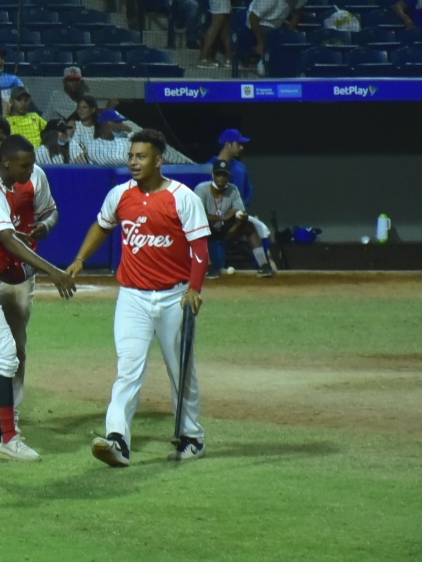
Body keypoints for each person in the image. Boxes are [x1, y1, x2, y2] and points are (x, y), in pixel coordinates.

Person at [67, 129, 212, 467]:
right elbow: (102, 226)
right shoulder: (120, 195)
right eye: (131, 156)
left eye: (141, 156)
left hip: (174, 297)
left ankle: (192, 437)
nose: (133, 161)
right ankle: (117, 439)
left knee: (181, 371)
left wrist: (194, 288)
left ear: (159, 160)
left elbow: (200, 248)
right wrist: (80, 259)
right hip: (132, 297)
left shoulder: (182, 197)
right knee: (128, 369)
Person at [0, 132, 75, 458]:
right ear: (6, 162)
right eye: (24, 165)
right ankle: (8, 439)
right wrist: (53, 270)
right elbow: (6, 239)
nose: (29, 171)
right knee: (5, 353)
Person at [195, 160, 274, 278]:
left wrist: (241, 218)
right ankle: (208, 267)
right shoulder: (202, 189)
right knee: (199, 226)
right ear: (213, 175)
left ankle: (263, 266)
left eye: (224, 175)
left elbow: (240, 212)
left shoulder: (233, 190)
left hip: (225, 230)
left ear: (229, 176)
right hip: (207, 230)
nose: (221, 178)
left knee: (249, 227)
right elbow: (198, 215)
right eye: (218, 174)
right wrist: (222, 217)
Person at [209, 128, 272, 260]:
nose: (242, 147)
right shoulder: (209, 167)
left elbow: (249, 190)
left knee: (260, 229)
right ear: (228, 144)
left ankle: (262, 265)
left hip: (237, 216)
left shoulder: (240, 167)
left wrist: (242, 208)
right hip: (215, 219)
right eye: (239, 144)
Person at [247, 0, 308, 70]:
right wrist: (260, 42)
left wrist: (290, 28)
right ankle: (264, 65)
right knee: (275, 39)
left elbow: (299, 10)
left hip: (279, 22)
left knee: (295, 40)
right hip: (262, 21)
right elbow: (253, 18)